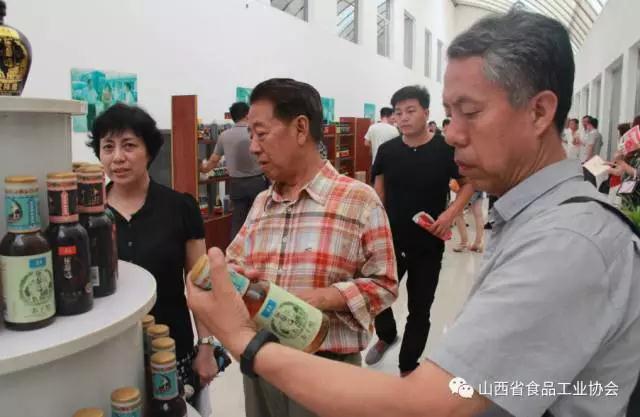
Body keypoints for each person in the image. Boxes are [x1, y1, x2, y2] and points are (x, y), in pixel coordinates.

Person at [186, 10, 640, 417]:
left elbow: (432, 403)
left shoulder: (567, 242)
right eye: (449, 113)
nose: (453, 134)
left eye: (469, 112)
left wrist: (243, 340)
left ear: (539, 111)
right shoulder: (532, 220)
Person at [223, 78, 398, 417]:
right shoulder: (262, 202)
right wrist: (235, 279)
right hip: (262, 363)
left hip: (327, 370)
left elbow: (385, 283)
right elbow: (234, 263)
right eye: (250, 136)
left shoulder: (358, 200)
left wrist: (321, 298)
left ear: (301, 128)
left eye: (261, 134)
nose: (253, 147)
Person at [88, 103, 228, 414]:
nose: (117, 157)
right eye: (108, 147)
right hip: (107, 349)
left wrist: (206, 347)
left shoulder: (180, 208)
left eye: (129, 145)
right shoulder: (87, 216)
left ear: (149, 151)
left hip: (171, 345)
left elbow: (200, 283)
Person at [365, 85, 474, 374]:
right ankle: (386, 335)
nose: (403, 117)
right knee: (378, 296)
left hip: (428, 243)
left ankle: (407, 364)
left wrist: (450, 214)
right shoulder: (388, 151)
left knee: (420, 307)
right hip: (390, 241)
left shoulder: (445, 150)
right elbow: (379, 194)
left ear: (426, 112)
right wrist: (372, 231)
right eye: (398, 112)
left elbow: (469, 184)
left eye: (410, 111)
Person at [201, 102, 269, 238]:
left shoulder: (224, 135)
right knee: (259, 219)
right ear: (247, 115)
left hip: (236, 184)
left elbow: (213, 161)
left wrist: (202, 169)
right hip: (257, 182)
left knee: (238, 221)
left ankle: (235, 249)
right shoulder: (256, 133)